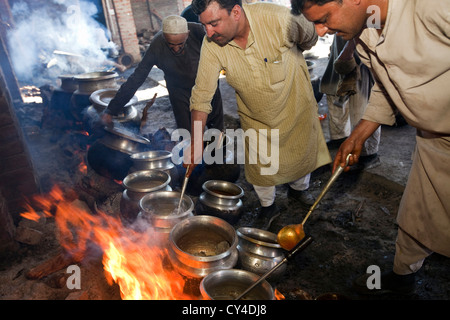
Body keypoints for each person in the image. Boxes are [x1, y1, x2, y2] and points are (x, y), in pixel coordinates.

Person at [291, 0, 450, 295]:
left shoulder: (432, 6)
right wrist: (360, 133)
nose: (321, 32)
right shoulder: (364, 29)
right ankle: (402, 277)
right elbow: (388, 84)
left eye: (324, 19)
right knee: (416, 214)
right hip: (432, 141)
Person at [185, 0, 331, 227]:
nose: (208, 32)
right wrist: (196, 141)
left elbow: (310, 37)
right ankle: (268, 206)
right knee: (261, 164)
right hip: (255, 117)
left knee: (300, 151)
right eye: (204, 25)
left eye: (213, 23)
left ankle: (298, 191)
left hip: (295, 106)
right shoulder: (212, 44)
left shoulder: (279, 19)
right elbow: (202, 94)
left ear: (235, 12)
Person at [102, 15, 224, 133]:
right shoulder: (157, 46)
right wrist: (112, 109)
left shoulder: (199, 32)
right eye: (171, 45)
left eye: (180, 44)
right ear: (164, 37)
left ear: (187, 34)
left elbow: (223, 50)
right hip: (180, 94)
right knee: (187, 136)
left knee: (216, 133)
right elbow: (136, 78)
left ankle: (219, 152)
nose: (176, 49)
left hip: (208, 89)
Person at [321, 35, 380, 169]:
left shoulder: (371, 16)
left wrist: (352, 46)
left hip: (361, 60)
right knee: (334, 97)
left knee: (363, 108)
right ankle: (340, 137)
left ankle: (369, 153)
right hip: (340, 51)